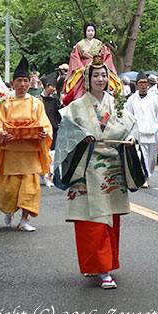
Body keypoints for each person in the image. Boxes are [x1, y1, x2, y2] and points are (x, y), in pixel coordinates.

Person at [53, 55, 142, 289]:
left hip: (111, 166)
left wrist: (132, 139)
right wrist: (82, 138)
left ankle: (105, 267)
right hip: (85, 167)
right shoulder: (76, 107)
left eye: (104, 74)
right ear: (87, 78)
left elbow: (132, 129)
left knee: (108, 220)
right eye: (96, 75)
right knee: (89, 223)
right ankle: (100, 268)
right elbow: (64, 135)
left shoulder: (118, 104)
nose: (100, 79)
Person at [0, 57, 53, 232]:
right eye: (19, 81)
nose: (22, 84)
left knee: (30, 189)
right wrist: (1, 133)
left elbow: (45, 124)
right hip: (11, 153)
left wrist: (44, 133)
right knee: (8, 190)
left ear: (30, 83)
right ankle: (9, 210)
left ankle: (24, 220)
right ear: (13, 83)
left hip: (30, 154)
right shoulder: (5, 103)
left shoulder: (36, 104)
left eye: (25, 81)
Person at [62, 22, 122, 105]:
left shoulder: (100, 44)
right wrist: (81, 68)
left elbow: (107, 57)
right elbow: (75, 57)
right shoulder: (80, 45)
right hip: (84, 68)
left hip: (98, 66)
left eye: (92, 31)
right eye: (88, 31)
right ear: (85, 32)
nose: (90, 32)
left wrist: (104, 67)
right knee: (80, 87)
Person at [125, 71, 158, 187]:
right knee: (142, 155)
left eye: (145, 82)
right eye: (140, 83)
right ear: (137, 84)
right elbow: (128, 115)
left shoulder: (155, 98)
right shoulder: (132, 99)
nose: (143, 85)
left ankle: (149, 172)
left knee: (152, 158)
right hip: (139, 132)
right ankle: (145, 177)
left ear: (148, 84)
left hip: (153, 131)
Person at [39, 71, 62, 187]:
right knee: (42, 154)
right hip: (42, 131)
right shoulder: (38, 101)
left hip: (54, 130)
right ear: (46, 86)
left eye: (55, 87)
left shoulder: (55, 100)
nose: (53, 89)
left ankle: (49, 176)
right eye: (52, 86)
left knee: (52, 155)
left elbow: (59, 114)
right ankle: (42, 175)